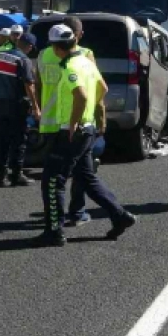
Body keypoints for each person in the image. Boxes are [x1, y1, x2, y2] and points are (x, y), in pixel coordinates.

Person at [37, 24, 136, 247]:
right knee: (87, 178)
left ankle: (54, 231)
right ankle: (119, 215)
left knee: (53, 181)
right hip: (88, 129)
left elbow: (80, 95)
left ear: (56, 48)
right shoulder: (85, 61)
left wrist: (73, 122)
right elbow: (103, 87)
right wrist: (91, 113)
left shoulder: (69, 66)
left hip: (71, 131)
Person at [36, 15, 97, 227]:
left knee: (53, 177)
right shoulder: (85, 55)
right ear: (77, 35)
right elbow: (95, 89)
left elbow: (37, 84)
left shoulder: (44, 54)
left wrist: (37, 109)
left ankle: (53, 218)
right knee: (80, 172)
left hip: (49, 121)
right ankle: (77, 212)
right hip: (74, 122)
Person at [0, 33, 41, 187]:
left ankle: (1, 175)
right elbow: (28, 85)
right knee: (19, 140)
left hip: (2, 104)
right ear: (30, 47)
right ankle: (17, 174)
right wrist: (36, 106)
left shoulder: (0, 55)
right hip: (17, 105)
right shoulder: (23, 60)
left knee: (2, 140)